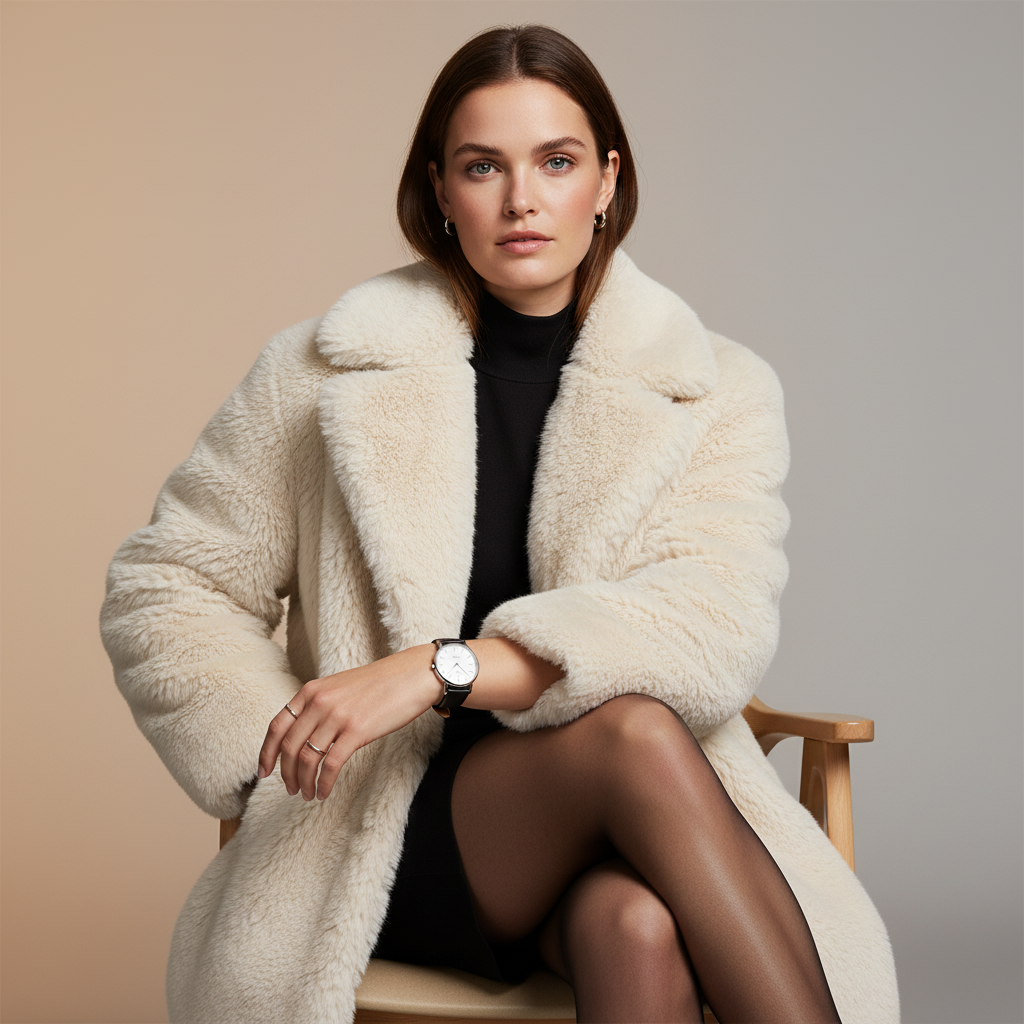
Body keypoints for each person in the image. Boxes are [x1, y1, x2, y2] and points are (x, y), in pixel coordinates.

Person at [101, 24, 899, 1024]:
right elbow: (166, 580)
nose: (521, 200)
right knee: (634, 734)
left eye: (555, 162)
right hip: (392, 830)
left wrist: (437, 668)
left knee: (637, 928)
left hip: (631, 829)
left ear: (606, 180)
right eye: (483, 167)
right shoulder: (317, 372)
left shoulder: (715, 390)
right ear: (440, 190)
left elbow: (708, 626)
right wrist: (286, 738)